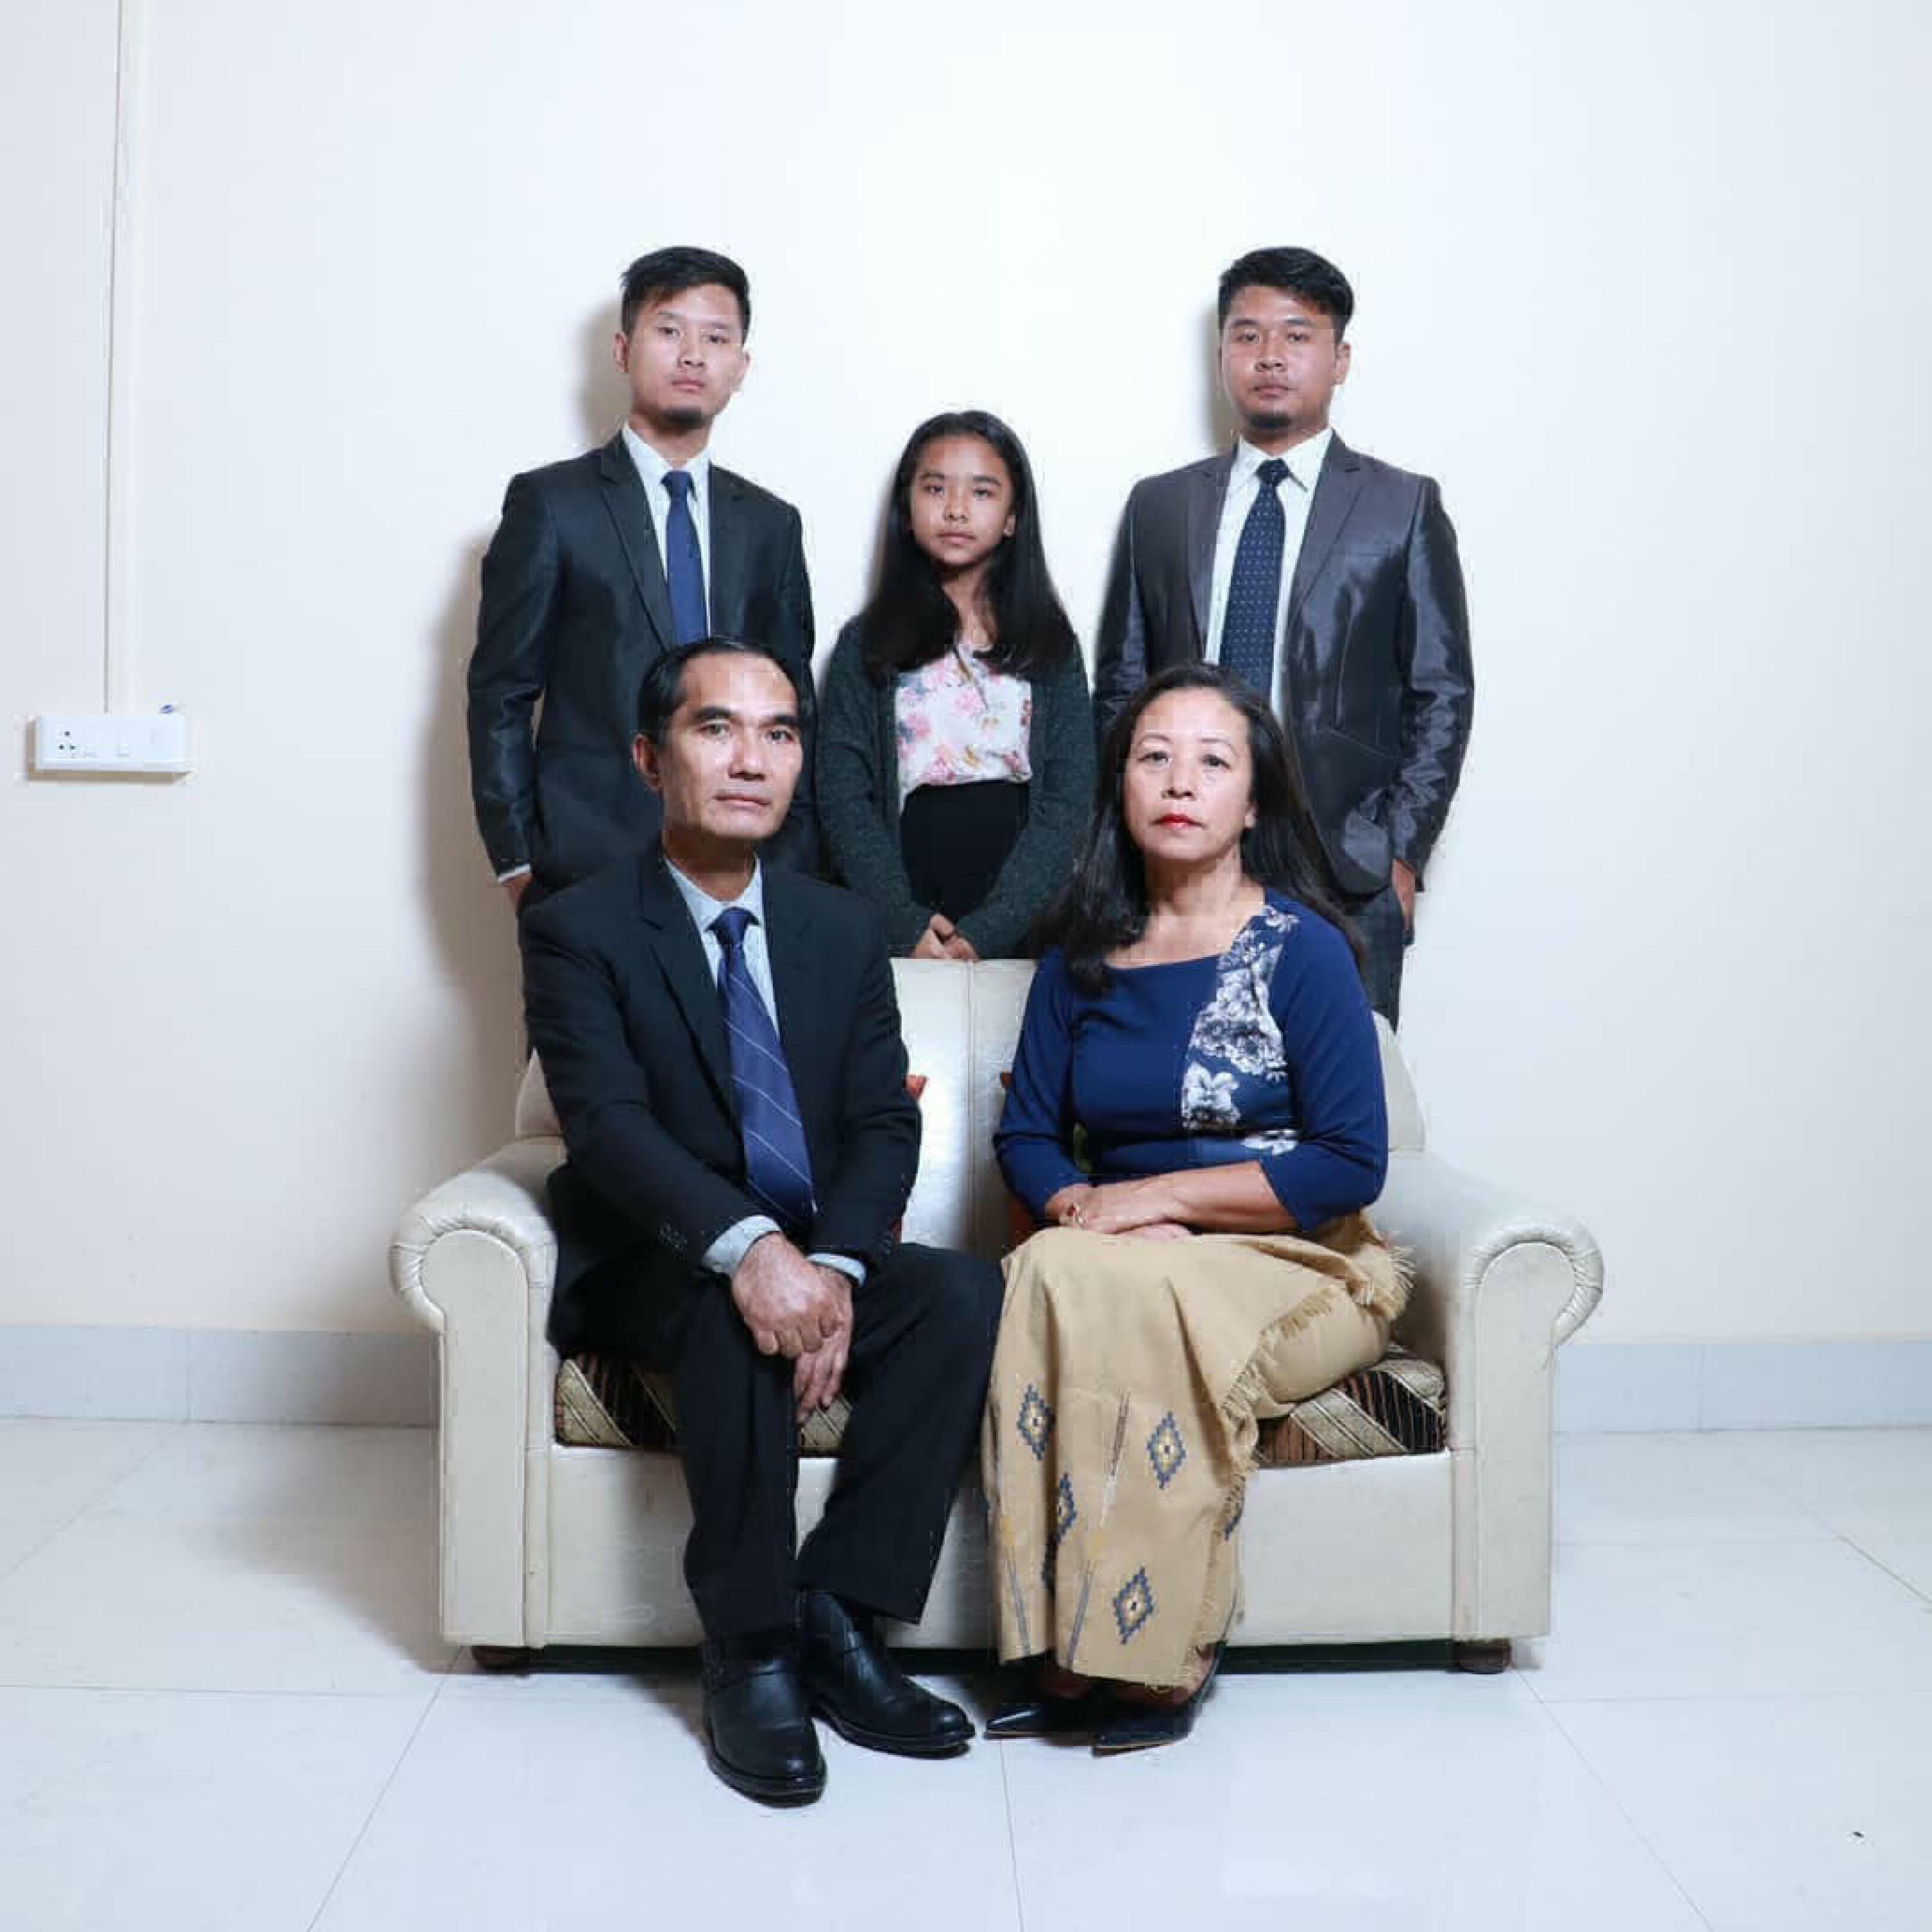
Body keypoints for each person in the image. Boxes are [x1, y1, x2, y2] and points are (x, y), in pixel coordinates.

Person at [520, 638, 1002, 1804]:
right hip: (659, 1256)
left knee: (962, 1293)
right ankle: (750, 1650)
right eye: (716, 729)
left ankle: (841, 1616)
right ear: (651, 758)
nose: (752, 760)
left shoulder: (838, 927)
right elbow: (609, 1130)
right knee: (727, 1313)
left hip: (814, 1246)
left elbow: (882, 1123)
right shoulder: (579, 926)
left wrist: (832, 1265)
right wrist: (753, 1255)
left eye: (779, 734)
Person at [983, 661, 1405, 1753]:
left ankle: (1159, 1655)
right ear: (1121, 786)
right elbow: (1026, 1136)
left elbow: (1349, 1164)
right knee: (1048, 1268)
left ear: (1254, 802)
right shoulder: (1079, 959)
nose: (1180, 782)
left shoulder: (1304, 951)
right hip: (1125, 1255)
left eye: (1213, 762)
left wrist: (1154, 1199)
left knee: (1145, 1288)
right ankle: (1059, 1645)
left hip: (1300, 1258)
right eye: (1154, 757)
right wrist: (1083, 1206)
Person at [1093, 247, 1473, 1023]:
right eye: (1247, 334)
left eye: (1297, 335)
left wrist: (1401, 849)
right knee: (1176, 1074)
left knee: (1343, 1080)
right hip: (1175, 857)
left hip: (1343, 866)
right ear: (1221, 355)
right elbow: (1123, 686)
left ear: (1340, 359)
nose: (1269, 355)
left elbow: (1441, 691)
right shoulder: (1159, 507)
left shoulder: (1402, 507)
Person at [468, 247, 817, 911]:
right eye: (670, 330)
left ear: (741, 367)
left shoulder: (772, 524)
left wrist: (794, 856)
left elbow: (797, 700)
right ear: (623, 351)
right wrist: (518, 863)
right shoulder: (553, 505)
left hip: (743, 865)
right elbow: (500, 691)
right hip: (586, 862)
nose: (693, 355)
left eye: (716, 338)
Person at [817, 410, 1094, 959]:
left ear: (1013, 518)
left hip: (1024, 902)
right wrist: (902, 922)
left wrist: (991, 929)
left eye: (982, 492)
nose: (956, 509)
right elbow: (844, 794)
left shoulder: (1050, 643)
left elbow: (1069, 799)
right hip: (905, 889)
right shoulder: (866, 643)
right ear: (906, 509)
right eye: (935, 488)